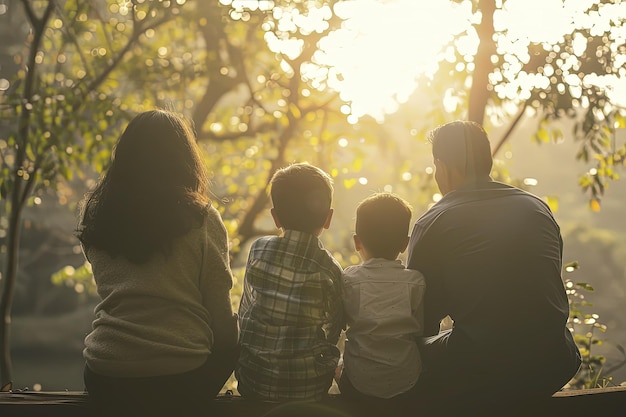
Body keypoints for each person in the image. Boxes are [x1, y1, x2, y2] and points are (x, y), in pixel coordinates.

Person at [406, 120, 581, 406]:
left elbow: (422, 319)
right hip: (555, 362)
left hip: (484, 368)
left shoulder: (434, 221)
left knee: (410, 350)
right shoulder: (537, 208)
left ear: (442, 165)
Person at [77, 109, 239, 416]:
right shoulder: (200, 218)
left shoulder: (98, 215)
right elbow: (219, 309)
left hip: (105, 374)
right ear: (184, 160)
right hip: (180, 380)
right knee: (234, 340)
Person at [236, 162, 344, 401]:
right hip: (308, 388)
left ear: (275, 217)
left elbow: (246, 312)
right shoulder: (329, 269)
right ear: (328, 218)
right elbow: (333, 328)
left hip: (253, 383)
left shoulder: (259, 249)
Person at [339, 193, 426, 400]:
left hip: (358, 382)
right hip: (407, 380)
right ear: (405, 244)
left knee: (339, 366)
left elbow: (340, 323)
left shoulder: (349, 280)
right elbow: (421, 329)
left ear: (357, 242)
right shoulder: (415, 282)